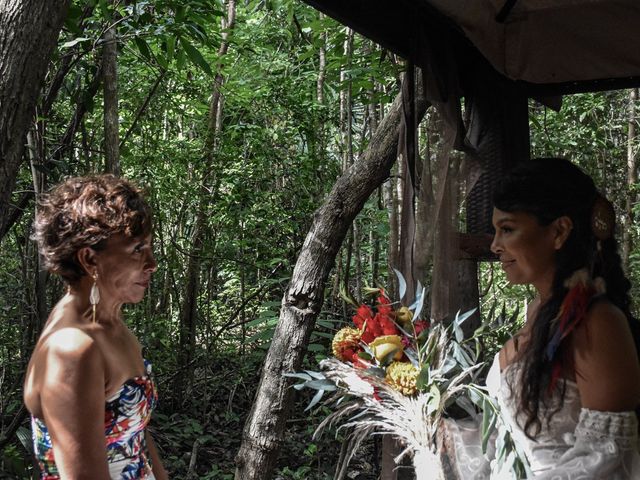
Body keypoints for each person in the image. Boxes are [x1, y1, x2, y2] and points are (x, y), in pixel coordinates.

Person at [447, 158, 640, 478]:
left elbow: (607, 463)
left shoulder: (599, 323)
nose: (495, 245)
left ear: (559, 231)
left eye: (507, 229)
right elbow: (514, 439)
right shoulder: (538, 312)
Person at [23, 174, 168, 479]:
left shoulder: (108, 323)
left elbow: (136, 435)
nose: (152, 262)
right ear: (89, 259)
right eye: (137, 249)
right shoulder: (73, 349)